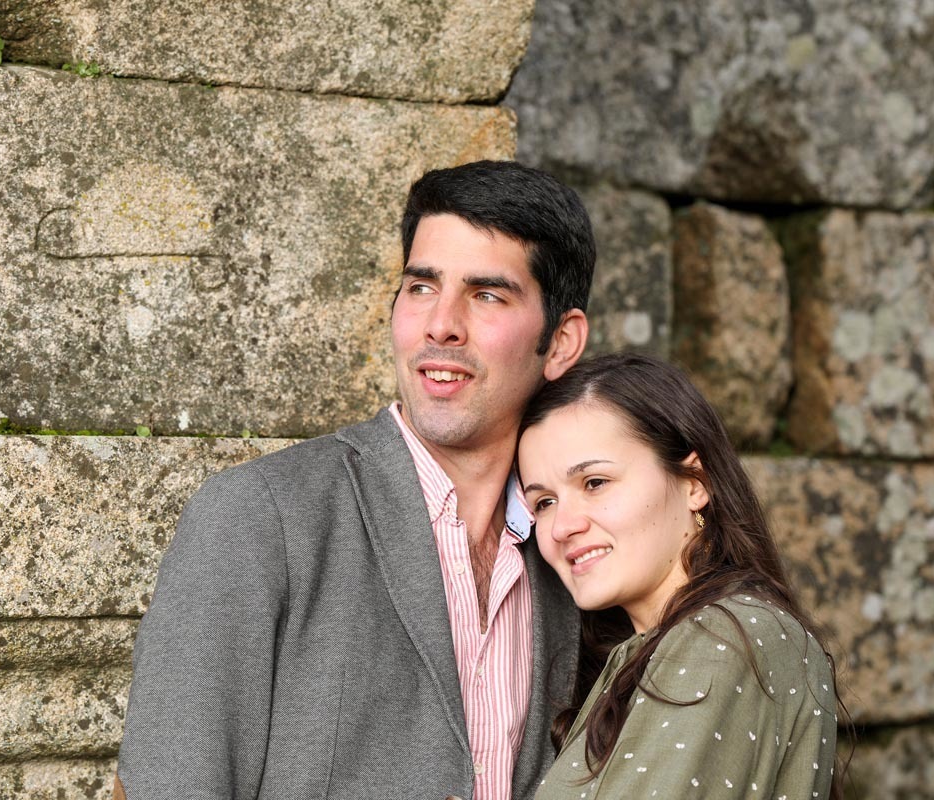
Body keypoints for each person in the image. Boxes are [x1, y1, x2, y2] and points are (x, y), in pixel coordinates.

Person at [114, 160, 596, 800]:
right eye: (421, 287)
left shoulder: (573, 551)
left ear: (560, 343)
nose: (441, 324)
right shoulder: (257, 517)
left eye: (487, 295)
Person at [516, 353, 844, 799]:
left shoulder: (725, 637)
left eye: (594, 483)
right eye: (544, 503)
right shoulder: (655, 650)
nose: (561, 527)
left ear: (694, 481)